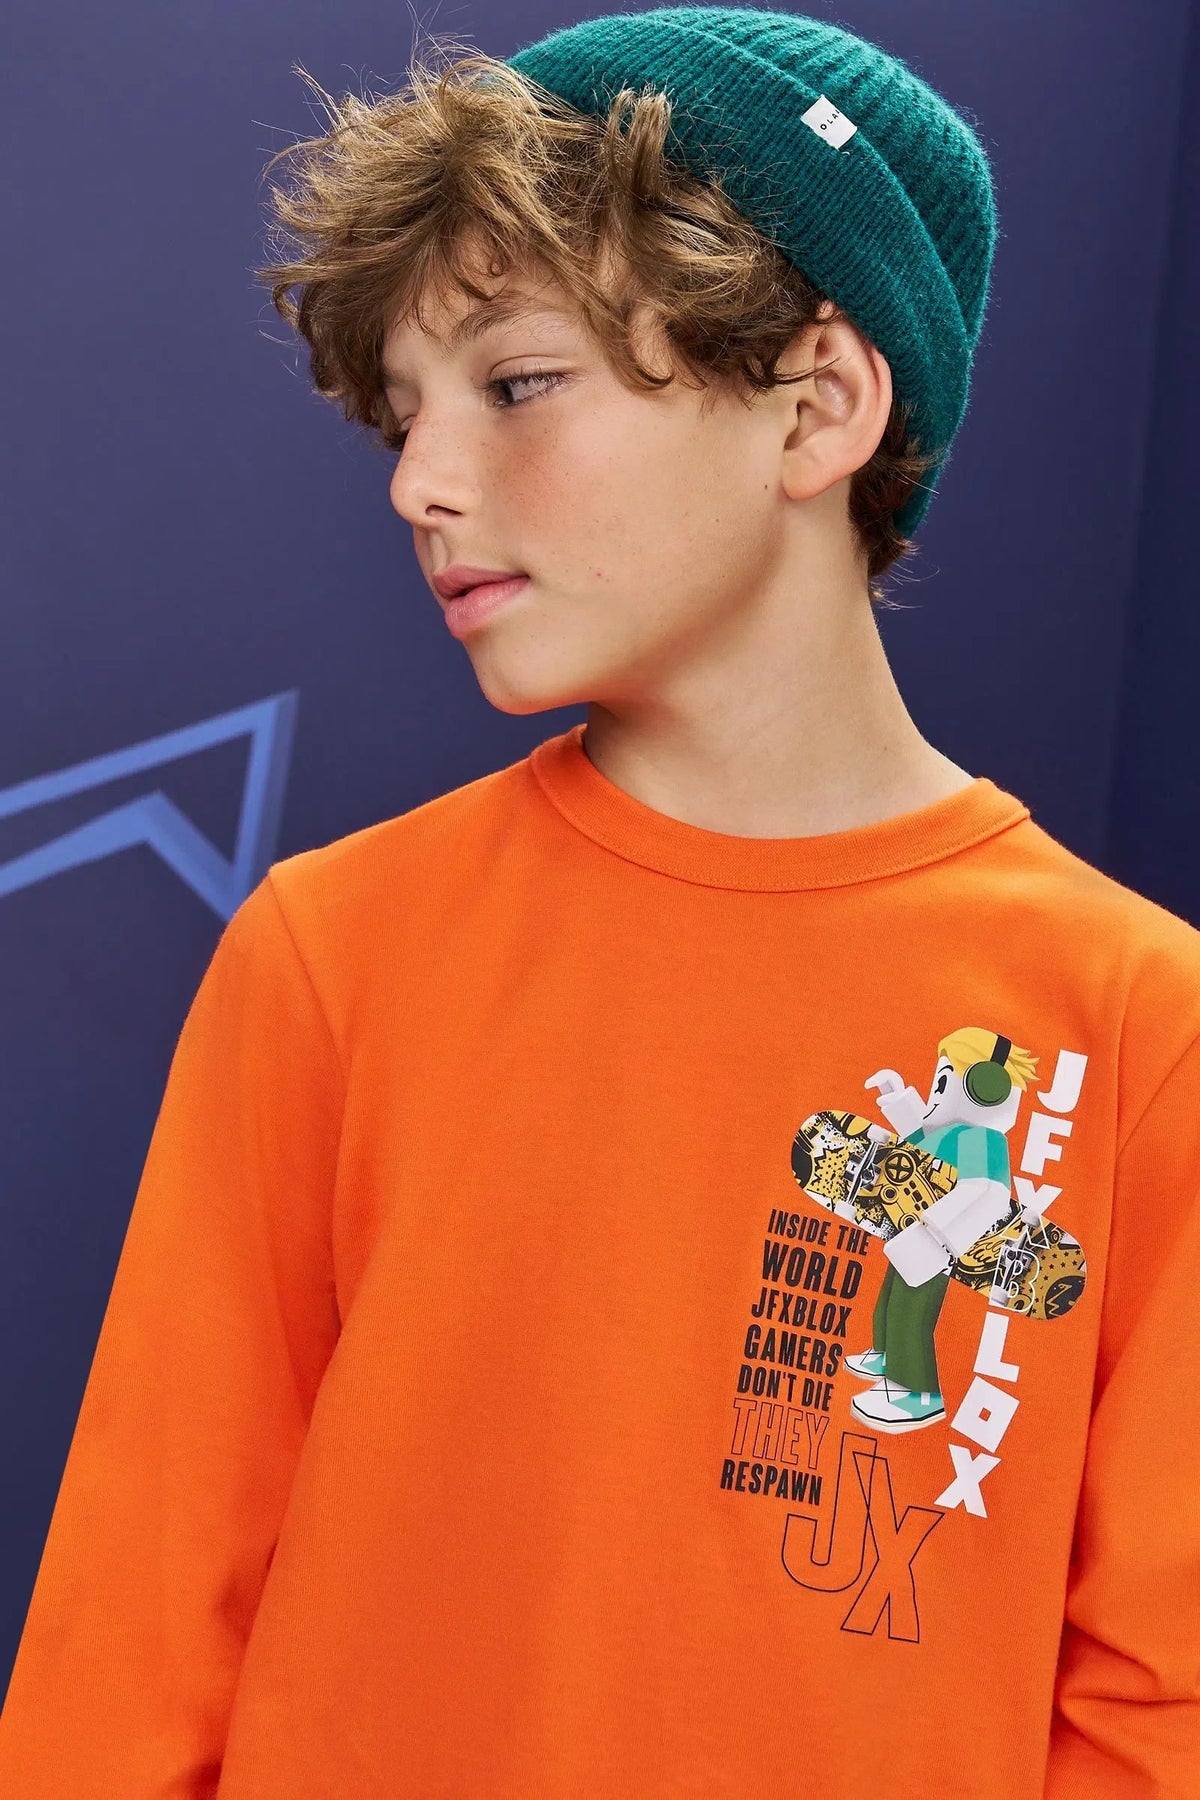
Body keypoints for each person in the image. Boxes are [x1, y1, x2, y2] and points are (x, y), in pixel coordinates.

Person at [1, 7, 1197, 1795]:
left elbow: (1158, 1705)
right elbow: (133, 1648)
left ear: (819, 404)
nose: (420, 483)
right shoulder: (337, 953)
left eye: (517, 384)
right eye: (404, 415)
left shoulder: (1139, 1023)